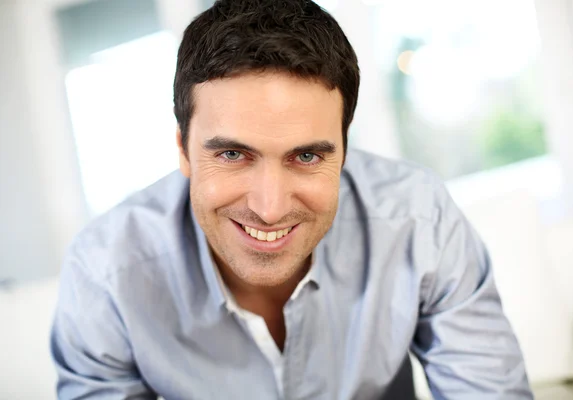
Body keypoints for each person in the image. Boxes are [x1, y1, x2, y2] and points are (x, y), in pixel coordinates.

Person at [50, 0, 532, 398]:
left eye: (306, 156)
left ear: (344, 152)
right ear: (183, 150)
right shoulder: (105, 274)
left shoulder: (418, 221)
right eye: (234, 154)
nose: (271, 206)